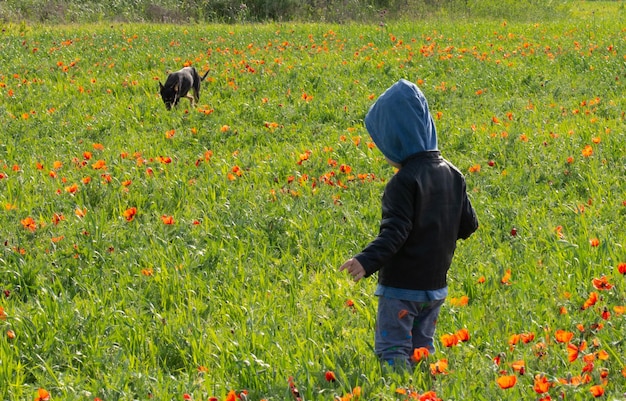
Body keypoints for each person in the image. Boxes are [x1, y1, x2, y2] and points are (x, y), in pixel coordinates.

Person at [339, 79, 478, 368]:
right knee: (421, 349)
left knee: (393, 351)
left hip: (402, 289)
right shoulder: (453, 174)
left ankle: (396, 391)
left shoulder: (402, 182)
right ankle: (422, 390)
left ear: (396, 139)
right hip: (436, 287)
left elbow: (395, 233)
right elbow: (468, 225)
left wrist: (366, 261)